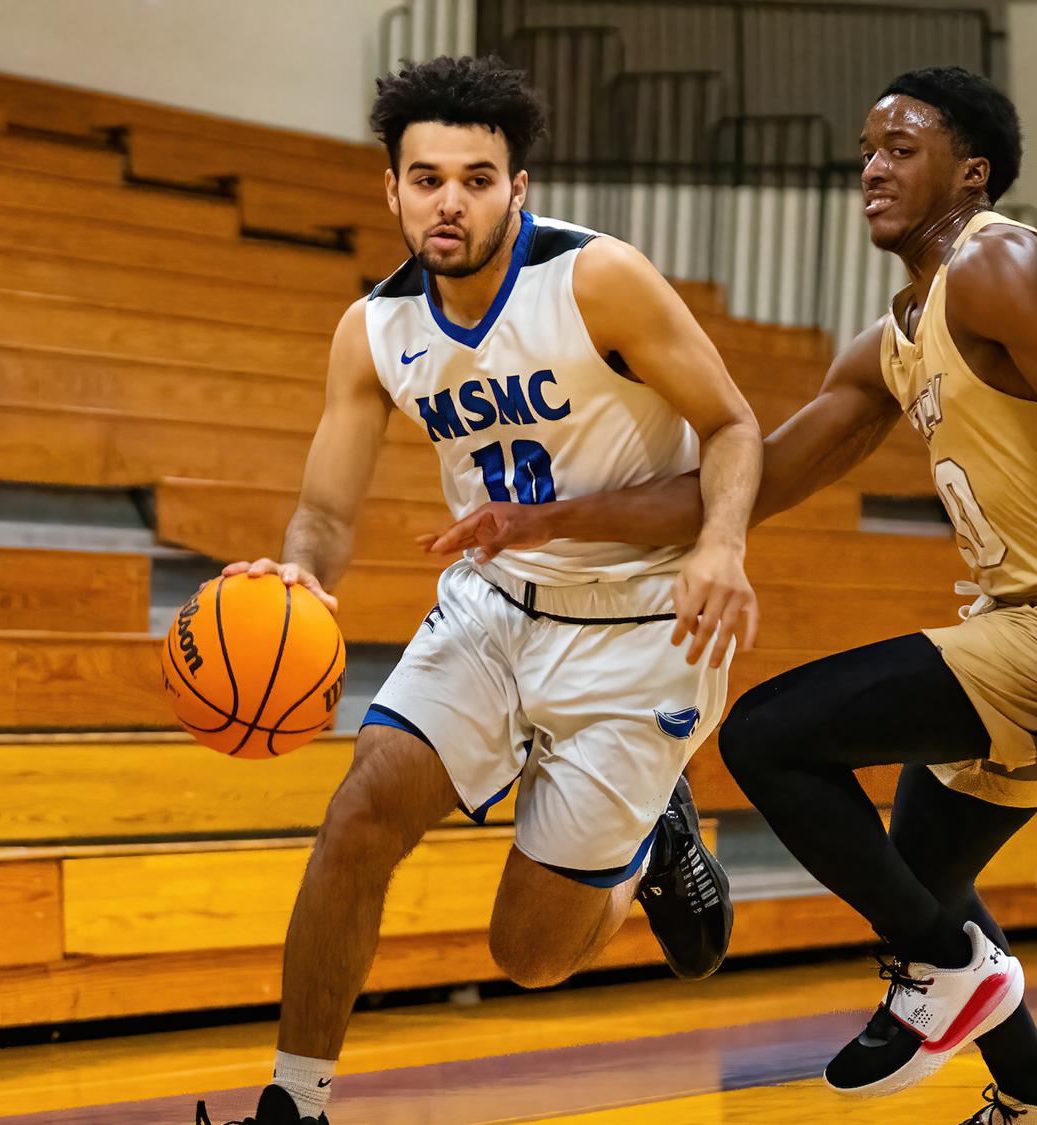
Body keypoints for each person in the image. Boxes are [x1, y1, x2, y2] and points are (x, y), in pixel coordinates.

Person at [424, 66, 1037, 1125]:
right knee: (919, 883)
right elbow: (747, 484)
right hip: (1016, 629)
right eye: (866, 151)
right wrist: (549, 518)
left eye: (901, 148)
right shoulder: (893, 340)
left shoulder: (1000, 262)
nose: (872, 168)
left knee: (769, 738)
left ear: (972, 172)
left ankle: (945, 974)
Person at [196, 56, 762, 1125]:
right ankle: (293, 1104)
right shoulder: (374, 329)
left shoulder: (597, 279)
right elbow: (324, 513)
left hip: (641, 622)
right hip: (493, 606)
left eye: (475, 179)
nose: (448, 201)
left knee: (529, 956)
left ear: (517, 187)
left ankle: (651, 838)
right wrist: (297, 578)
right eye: (426, 179)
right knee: (359, 813)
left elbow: (733, 425)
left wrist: (720, 545)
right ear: (391, 190)